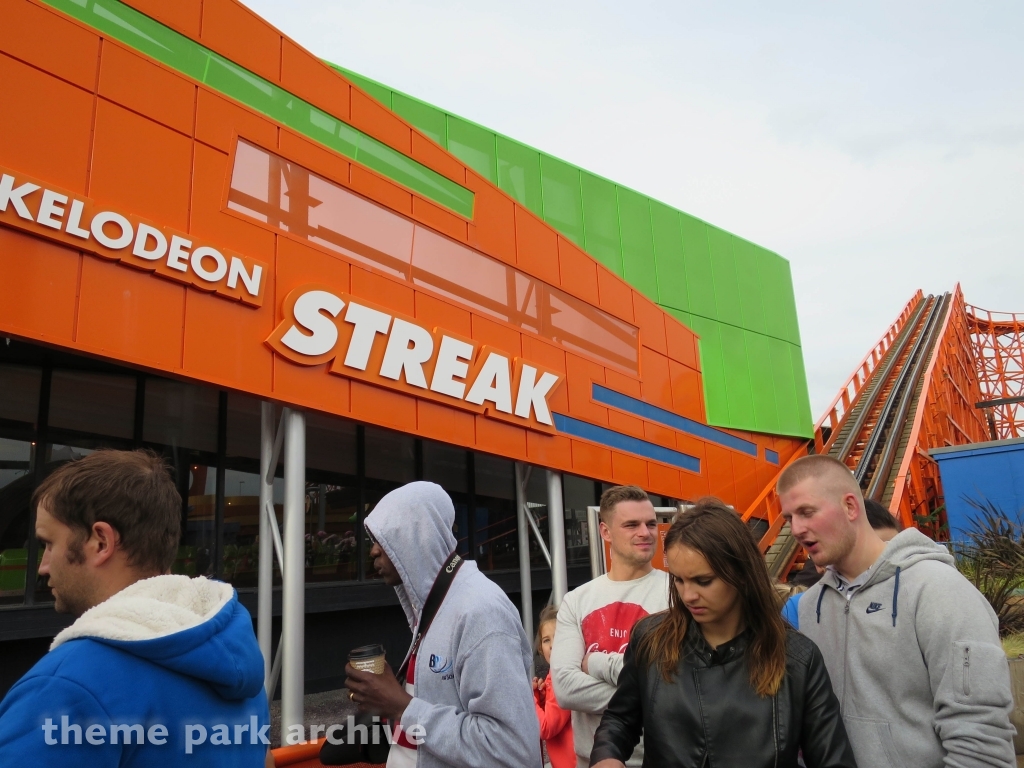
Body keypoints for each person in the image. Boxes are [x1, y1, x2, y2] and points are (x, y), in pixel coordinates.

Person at [0, 450, 270, 766]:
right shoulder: (238, 663)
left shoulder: (66, 689)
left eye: (49, 543)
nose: (43, 566)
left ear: (101, 542)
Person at [779, 454, 1016, 768]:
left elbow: (981, 739)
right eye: (789, 518)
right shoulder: (811, 606)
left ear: (850, 506)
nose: (796, 529)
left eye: (807, 512)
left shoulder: (939, 591)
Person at [590, 498, 856, 768]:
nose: (688, 595)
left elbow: (832, 759)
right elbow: (620, 719)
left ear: (741, 573)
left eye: (703, 581)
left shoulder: (797, 658)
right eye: (679, 580)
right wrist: (606, 756)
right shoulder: (651, 639)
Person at [339, 481, 541, 768]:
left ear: (417, 537)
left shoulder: (480, 611)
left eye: (385, 538)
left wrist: (402, 706)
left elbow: (512, 750)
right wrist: (384, 707)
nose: (373, 551)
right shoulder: (437, 606)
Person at [550, 485, 669, 768]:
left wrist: (594, 663)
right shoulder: (577, 600)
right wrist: (646, 694)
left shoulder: (679, 594)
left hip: (662, 758)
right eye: (631, 525)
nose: (645, 532)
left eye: (651, 524)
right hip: (593, 760)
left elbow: (672, 679)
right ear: (605, 532)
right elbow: (565, 688)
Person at [781, 497, 900, 627]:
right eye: (870, 554)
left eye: (895, 550)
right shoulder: (800, 612)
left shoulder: (911, 597)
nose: (886, 563)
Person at [533, 605, 574, 768]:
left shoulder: (561, 678)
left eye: (557, 637)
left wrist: (530, 699)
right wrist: (540, 697)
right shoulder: (553, 676)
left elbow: (545, 728)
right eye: (546, 640)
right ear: (541, 649)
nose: (552, 645)